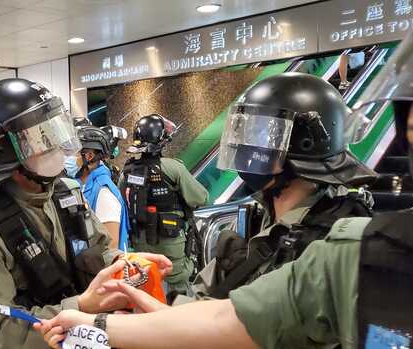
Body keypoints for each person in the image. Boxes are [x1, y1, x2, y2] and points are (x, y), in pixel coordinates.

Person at [35, 36, 413, 349]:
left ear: (302, 147)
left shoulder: (345, 246)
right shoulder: (265, 228)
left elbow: (237, 321)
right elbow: (220, 315)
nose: (249, 152)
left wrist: (103, 322)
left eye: (261, 137)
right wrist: (118, 315)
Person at [0, 78, 171, 349]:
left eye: (54, 131)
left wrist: (126, 265)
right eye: (39, 138)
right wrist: (80, 305)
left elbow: (99, 250)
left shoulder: (68, 192)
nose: (55, 144)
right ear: (5, 150)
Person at [190, 72, 376, 300]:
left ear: (306, 145)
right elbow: (198, 300)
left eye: (264, 135)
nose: (247, 146)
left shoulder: (336, 241)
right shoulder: (255, 220)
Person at [119, 114, 208, 294]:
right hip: (171, 241)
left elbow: (123, 201)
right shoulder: (173, 168)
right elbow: (200, 198)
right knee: (178, 283)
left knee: (146, 283)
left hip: (139, 241)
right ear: (161, 140)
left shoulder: (126, 172)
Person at [64, 126, 130, 250]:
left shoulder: (103, 193)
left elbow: (111, 245)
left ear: (89, 156)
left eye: (74, 153)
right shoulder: (84, 185)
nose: (68, 158)